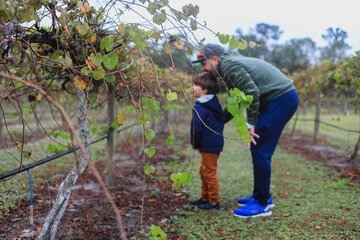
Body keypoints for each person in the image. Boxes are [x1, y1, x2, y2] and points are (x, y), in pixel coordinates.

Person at [192, 44, 299, 218]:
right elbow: (238, 100)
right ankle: (262, 196)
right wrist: (219, 121)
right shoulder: (227, 68)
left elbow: (251, 92)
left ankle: (262, 203)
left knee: (260, 147)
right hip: (278, 99)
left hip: (281, 99)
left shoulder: (228, 66)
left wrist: (251, 124)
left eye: (204, 63)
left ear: (215, 59)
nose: (202, 68)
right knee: (260, 149)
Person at [189, 72, 224, 211]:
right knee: (203, 171)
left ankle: (214, 202)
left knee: (209, 173)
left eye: (196, 85)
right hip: (212, 143)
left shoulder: (200, 107)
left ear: (205, 90)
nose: (192, 87)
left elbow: (196, 128)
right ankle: (205, 197)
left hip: (209, 145)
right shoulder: (214, 103)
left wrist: (195, 143)